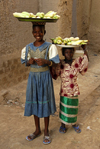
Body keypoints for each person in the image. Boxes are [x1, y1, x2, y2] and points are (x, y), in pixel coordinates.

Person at [21, 22, 60, 144]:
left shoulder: (50, 47)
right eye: (35, 32)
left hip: (44, 78)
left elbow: (55, 63)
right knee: (35, 102)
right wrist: (29, 61)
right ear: (32, 33)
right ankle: (37, 130)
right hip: (33, 78)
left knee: (45, 102)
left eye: (40, 31)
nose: (38, 34)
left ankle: (46, 131)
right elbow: (25, 63)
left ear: (44, 32)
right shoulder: (28, 47)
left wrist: (46, 62)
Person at [55, 45, 88, 133]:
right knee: (64, 108)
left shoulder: (76, 62)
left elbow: (85, 60)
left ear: (73, 53)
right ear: (63, 53)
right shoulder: (60, 63)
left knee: (73, 108)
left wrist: (84, 49)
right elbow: (54, 72)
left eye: (70, 52)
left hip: (74, 90)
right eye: (66, 52)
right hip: (64, 90)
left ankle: (74, 123)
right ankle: (63, 125)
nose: (69, 54)